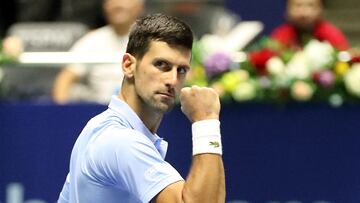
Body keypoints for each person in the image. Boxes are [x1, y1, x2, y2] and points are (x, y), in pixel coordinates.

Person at [57, 13, 226, 203]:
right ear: (128, 65)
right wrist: (206, 121)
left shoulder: (97, 127)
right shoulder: (120, 141)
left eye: (181, 70)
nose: (172, 80)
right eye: (161, 65)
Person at [52, 0, 144, 104]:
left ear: (139, 7)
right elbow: (65, 80)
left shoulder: (149, 40)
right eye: (112, 1)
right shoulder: (92, 40)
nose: (117, 5)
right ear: (105, 8)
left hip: (141, 112)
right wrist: (62, 113)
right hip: (99, 110)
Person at [270, 0, 349, 51]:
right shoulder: (280, 36)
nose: (304, 13)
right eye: (298, 6)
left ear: (320, 9)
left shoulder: (333, 35)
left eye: (310, 5)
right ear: (287, 10)